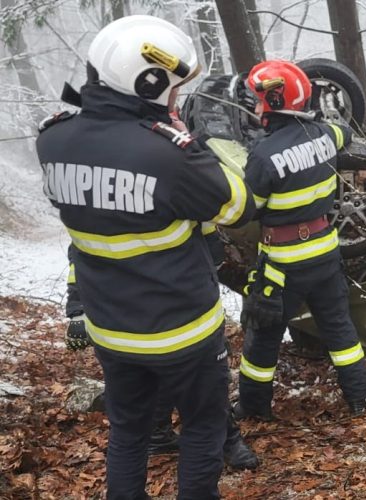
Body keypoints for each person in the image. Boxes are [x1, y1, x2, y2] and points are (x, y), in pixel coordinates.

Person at [37, 15, 254, 499]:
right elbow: (238, 206)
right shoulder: (168, 154)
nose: (175, 99)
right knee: (203, 428)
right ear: (148, 81)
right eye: (173, 89)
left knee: (129, 433)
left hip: (112, 331)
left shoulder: (51, 139)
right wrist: (189, 142)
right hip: (184, 331)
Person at [233, 60, 366, 420]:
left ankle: (253, 408)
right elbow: (345, 133)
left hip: (283, 264)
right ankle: (360, 398)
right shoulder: (325, 135)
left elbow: (247, 210)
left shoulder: (263, 156)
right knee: (340, 330)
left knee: (263, 339)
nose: (255, 106)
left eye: (259, 100)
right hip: (325, 254)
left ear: (274, 102)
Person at [64, 228, 260, 469]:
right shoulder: (97, 211)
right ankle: (164, 434)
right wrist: (77, 307)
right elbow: (82, 252)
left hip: (177, 299)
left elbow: (209, 239)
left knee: (199, 375)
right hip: (127, 310)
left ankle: (223, 438)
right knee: (158, 370)